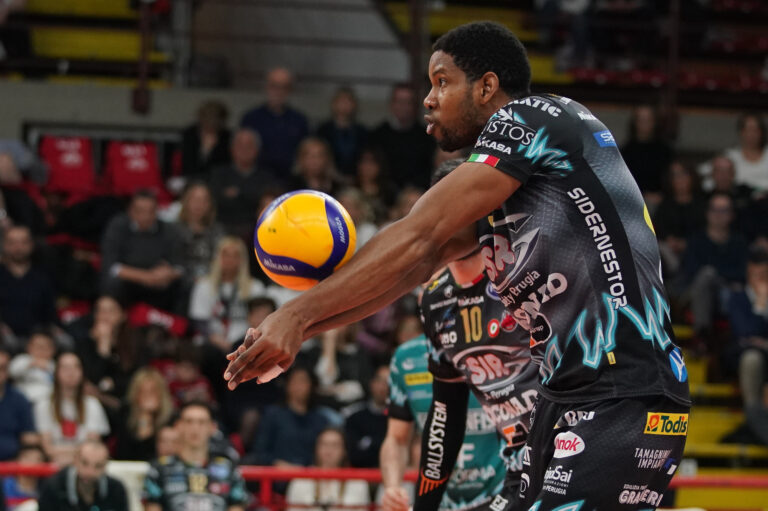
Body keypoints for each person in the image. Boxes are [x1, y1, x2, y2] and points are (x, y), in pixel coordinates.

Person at [225, 21, 690, 510]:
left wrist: (295, 314)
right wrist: (303, 328)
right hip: (568, 399)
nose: (428, 99)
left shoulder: (531, 116)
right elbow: (416, 263)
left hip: (621, 390)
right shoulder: (509, 188)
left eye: (442, 82)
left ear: (487, 87)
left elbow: (419, 232)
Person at [383, 159, 540, 511]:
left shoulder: (523, 272)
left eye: (459, 209)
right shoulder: (435, 299)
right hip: (520, 467)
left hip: (571, 448)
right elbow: (445, 415)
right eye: (440, 210)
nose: (447, 222)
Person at [143, 401, 247, 511]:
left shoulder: (228, 468)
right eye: (189, 421)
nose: (195, 428)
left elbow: (237, 506)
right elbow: (152, 507)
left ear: (213, 428)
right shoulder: (159, 469)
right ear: (178, 426)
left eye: (201, 422)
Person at [100, 190, 184, 313]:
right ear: (130, 211)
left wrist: (169, 273)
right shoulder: (118, 227)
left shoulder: (168, 230)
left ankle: (175, 323)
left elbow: (180, 267)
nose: (146, 216)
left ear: (157, 211)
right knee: (112, 283)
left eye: (151, 211)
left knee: (183, 285)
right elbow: (112, 266)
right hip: (129, 282)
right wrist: (146, 277)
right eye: (140, 211)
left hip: (158, 283)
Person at [35, 352, 110, 466]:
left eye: (76, 367)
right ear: (56, 373)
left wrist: (69, 457)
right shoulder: (43, 405)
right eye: (65, 368)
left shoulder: (93, 405)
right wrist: (75, 453)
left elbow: (92, 446)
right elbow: (48, 449)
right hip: (54, 465)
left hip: (85, 465)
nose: (71, 372)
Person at [726, 248, 768, 445]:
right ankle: (753, 411)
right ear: (749, 275)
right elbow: (745, 332)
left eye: (764, 275)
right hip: (745, 357)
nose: (760, 280)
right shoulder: (738, 298)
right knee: (752, 358)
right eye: (756, 275)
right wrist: (760, 305)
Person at [249, 366, 328, 468]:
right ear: (287, 385)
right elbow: (260, 451)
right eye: (295, 381)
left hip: (310, 474)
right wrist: (279, 464)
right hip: (276, 473)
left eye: (303, 381)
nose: (299, 386)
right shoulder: (273, 415)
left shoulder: (320, 420)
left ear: (312, 385)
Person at [240, 67, 309, 178]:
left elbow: (304, 152)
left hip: (290, 178)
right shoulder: (250, 118)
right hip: (257, 178)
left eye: (284, 87)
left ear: (290, 90)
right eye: (274, 86)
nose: (279, 91)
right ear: (266, 87)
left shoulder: (300, 120)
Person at [209, 128, 278, 238]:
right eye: (240, 145)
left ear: (257, 150)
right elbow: (215, 202)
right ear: (231, 149)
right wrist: (251, 195)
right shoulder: (218, 174)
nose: (244, 149)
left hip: (258, 232)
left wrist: (237, 194)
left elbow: (268, 206)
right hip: (221, 231)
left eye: (249, 145)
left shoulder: (268, 178)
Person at [285, 427, 369, 511]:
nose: (329, 450)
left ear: (344, 450)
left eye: (335, 445)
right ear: (316, 448)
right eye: (324, 444)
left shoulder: (358, 482)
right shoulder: (300, 480)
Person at [370, 84, 436, 189]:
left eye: (408, 102)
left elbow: (428, 171)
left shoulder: (426, 137)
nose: (403, 107)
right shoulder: (377, 135)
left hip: (416, 192)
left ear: (415, 106)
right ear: (391, 104)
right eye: (399, 102)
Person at [0, 225, 56, 341]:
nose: (18, 247)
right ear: (4, 245)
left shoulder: (43, 277)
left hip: (38, 338)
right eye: (12, 243)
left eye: (23, 242)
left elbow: (50, 314)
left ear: (31, 245)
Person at [38, 440, 128, 511]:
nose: (90, 472)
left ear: (105, 466)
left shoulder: (116, 490)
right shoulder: (53, 487)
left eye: (98, 466)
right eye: (84, 463)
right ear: (75, 460)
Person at [113, 368, 175, 462]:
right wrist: (145, 416)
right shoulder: (126, 413)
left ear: (161, 393)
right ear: (135, 394)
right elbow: (123, 453)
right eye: (143, 391)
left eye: (152, 391)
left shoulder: (171, 417)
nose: (148, 396)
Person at [620, 105, 674, 207]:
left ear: (655, 122)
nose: (644, 124)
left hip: (662, 201)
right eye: (641, 120)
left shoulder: (665, 150)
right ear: (634, 123)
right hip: (633, 200)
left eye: (648, 120)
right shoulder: (626, 151)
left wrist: (662, 195)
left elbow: (670, 178)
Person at [174, 182, 225, 286]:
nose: (199, 204)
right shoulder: (174, 230)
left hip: (213, 283)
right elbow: (174, 264)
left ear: (210, 204)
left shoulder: (218, 230)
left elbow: (223, 261)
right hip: (181, 285)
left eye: (204, 200)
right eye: (195, 199)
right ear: (185, 201)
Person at [343, 365, 388, 468]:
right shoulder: (355, 417)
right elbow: (353, 454)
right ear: (371, 383)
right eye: (380, 381)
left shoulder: (400, 417)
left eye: (388, 382)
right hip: (359, 472)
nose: (383, 387)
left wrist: (370, 443)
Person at [316, 86, 368, 177]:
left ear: (355, 105)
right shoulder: (322, 130)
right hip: (328, 177)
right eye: (341, 100)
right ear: (333, 104)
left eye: (348, 101)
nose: (344, 105)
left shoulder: (362, 132)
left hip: (357, 178)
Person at [0, 348, 37, 462]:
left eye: (2, 368)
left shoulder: (19, 399)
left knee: (33, 457)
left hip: (13, 463)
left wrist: (29, 451)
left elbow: (29, 437)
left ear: (8, 372)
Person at [180, 100, 232, 179]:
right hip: (192, 178)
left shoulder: (226, 137)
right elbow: (188, 167)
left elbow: (224, 166)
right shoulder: (190, 135)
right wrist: (204, 151)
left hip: (218, 180)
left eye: (215, 120)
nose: (211, 123)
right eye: (208, 119)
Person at [9, 328, 56, 403]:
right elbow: (11, 372)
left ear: (52, 350)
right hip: (23, 401)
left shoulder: (54, 365)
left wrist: (49, 368)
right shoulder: (22, 359)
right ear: (29, 347)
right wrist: (30, 364)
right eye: (38, 346)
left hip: (48, 401)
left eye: (45, 347)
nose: (41, 351)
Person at [2, 445, 44, 510]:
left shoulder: (45, 489)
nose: (32, 463)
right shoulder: (3, 486)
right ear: (17, 460)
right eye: (27, 458)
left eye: (37, 459)